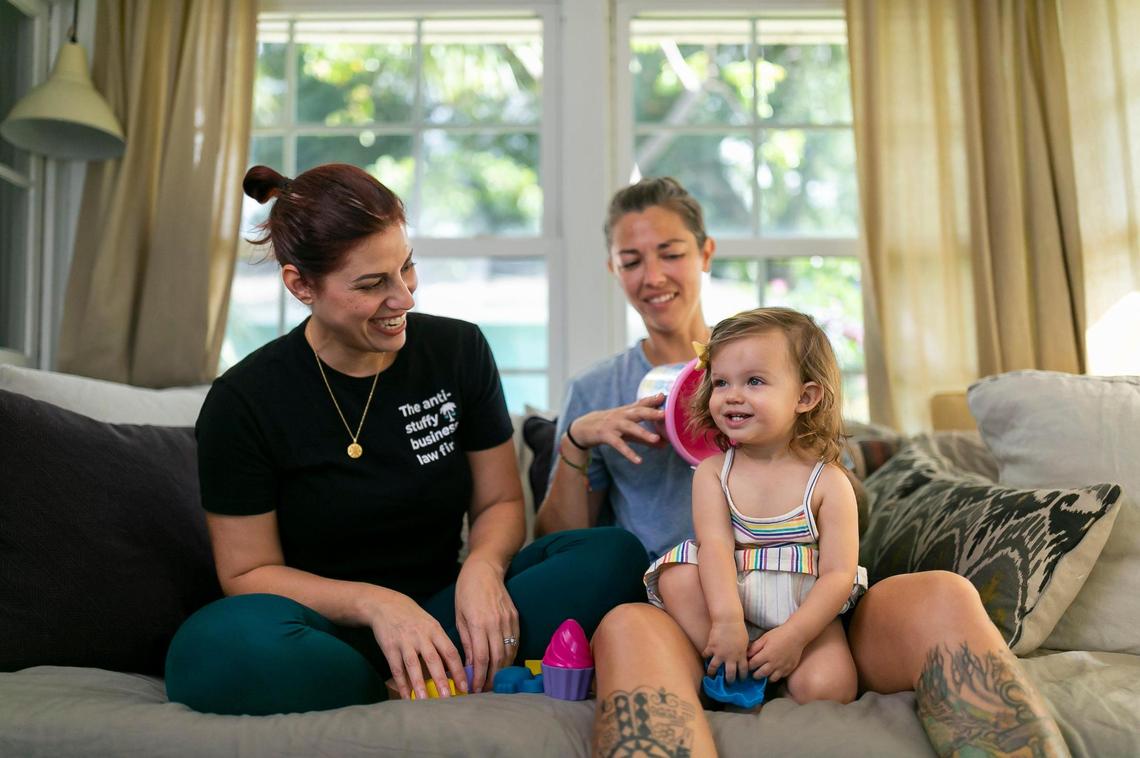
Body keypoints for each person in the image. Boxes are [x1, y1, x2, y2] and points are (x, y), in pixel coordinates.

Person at [536, 177, 1069, 757]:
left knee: (944, 594)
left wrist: (803, 623)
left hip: (806, 601)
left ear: (704, 252)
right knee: (624, 625)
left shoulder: (776, 351)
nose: (654, 275)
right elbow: (561, 543)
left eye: (671, 252)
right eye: (631, 260)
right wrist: (577, 442)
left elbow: (832, 508)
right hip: (685, 618)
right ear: (614, 270)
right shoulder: (594, 390)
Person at [163, 163, 648, 716]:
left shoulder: (458, 351)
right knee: (211, 649)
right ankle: (398, 686)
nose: (404, 299)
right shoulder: (243, 400)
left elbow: (499, 502)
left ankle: (424, 676)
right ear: (301, 285)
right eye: (372, 284)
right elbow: (247, 573)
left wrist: (483, 570)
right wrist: (376, 605)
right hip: (320, 631)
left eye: (406, 268)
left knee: (612, 555)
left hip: (450, 616)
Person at [644, 308, 865, 705]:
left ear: (805, 397)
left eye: (755, 381)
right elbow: (714, 548)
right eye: (721, 382)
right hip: (729, 599)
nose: (732, 395)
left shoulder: (829, 483)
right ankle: (730, 659)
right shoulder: (713, 473)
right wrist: (727, 621)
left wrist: (796, 635)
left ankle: (776, 664)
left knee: (831, 689)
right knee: (677, 575)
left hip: (802, 610)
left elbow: (838, 576)